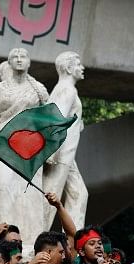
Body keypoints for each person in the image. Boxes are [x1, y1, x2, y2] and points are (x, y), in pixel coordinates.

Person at [0, 48, 49, 245]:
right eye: (14, 57)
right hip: (5, 138)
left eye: (23, 57)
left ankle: (33, 240)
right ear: (9, 62)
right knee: (3, 187)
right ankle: (4, 238)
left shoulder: (38, 88)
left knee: (31, 190)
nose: (19, 60)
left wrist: (51, 148)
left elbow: (48, 119)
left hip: (31, 140)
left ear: (28, 62)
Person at [43, 51, 88, 230]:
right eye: (78, 64)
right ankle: (37, 237)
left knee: (79, 194)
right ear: (69, 68)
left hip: (67, 154)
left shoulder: (66, 89)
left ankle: (76, 240)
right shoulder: (66, 89)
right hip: (60, 152)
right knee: (50, 195)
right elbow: (57, 119)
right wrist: (52, 151)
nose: (82, 67)